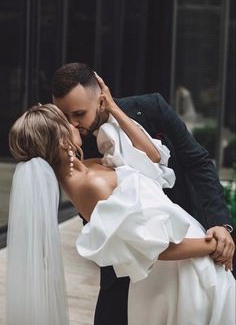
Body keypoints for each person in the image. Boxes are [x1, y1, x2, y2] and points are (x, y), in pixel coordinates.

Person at [8, 102, 235, 325]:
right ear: (61, 140)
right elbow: (154, 247)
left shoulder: (90, 166)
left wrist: (115, 109)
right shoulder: (90, 185)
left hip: (188, 256)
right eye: (66, 122)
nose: (74, 124)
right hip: (179, 274)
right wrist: (213, 248)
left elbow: (153, 158)